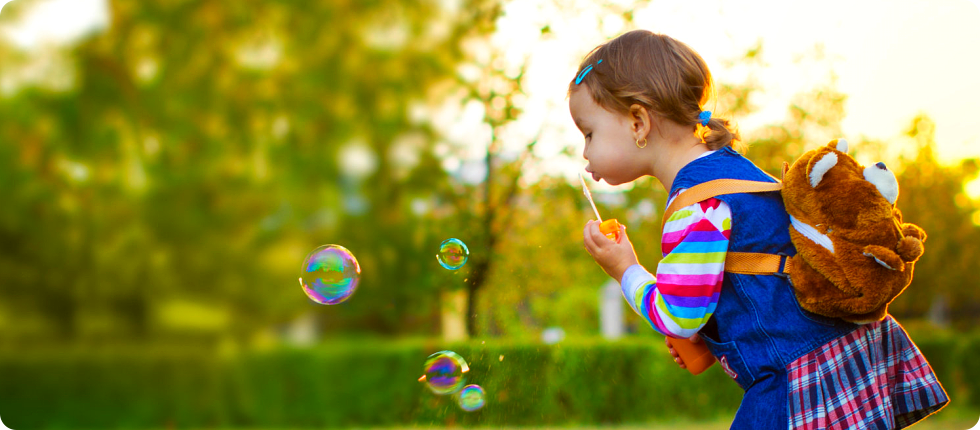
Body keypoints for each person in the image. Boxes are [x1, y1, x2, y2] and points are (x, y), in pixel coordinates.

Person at [570, 29, 948, 429]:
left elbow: (677, 317)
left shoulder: (695, 209)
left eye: (589, 133)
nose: (585, 152)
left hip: (799, 382)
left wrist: (625, 269)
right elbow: (766, 272)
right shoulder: (736, 170)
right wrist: (714, 333)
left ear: (638, 121)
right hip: (847, 354)